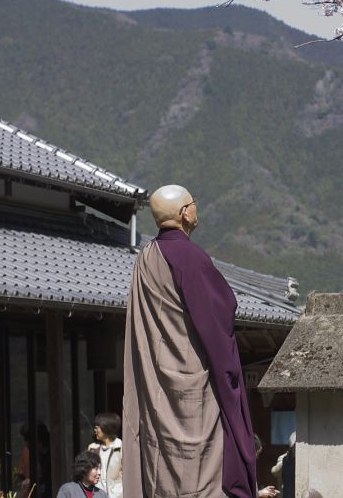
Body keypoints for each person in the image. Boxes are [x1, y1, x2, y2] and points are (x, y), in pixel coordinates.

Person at [123, 185, 257, 498]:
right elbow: (217, 317)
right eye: (193, 203)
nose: (196, 208)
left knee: (163, 464)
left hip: (157, 385)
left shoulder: (145, 257)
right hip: (193, 384)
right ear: (185, 213)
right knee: (200, 466)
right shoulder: (189, 257)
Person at [87, 412, 123, 498]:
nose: (95, 430)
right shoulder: (92, 448)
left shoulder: (122, 448)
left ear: (106, 428)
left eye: (97, 428)